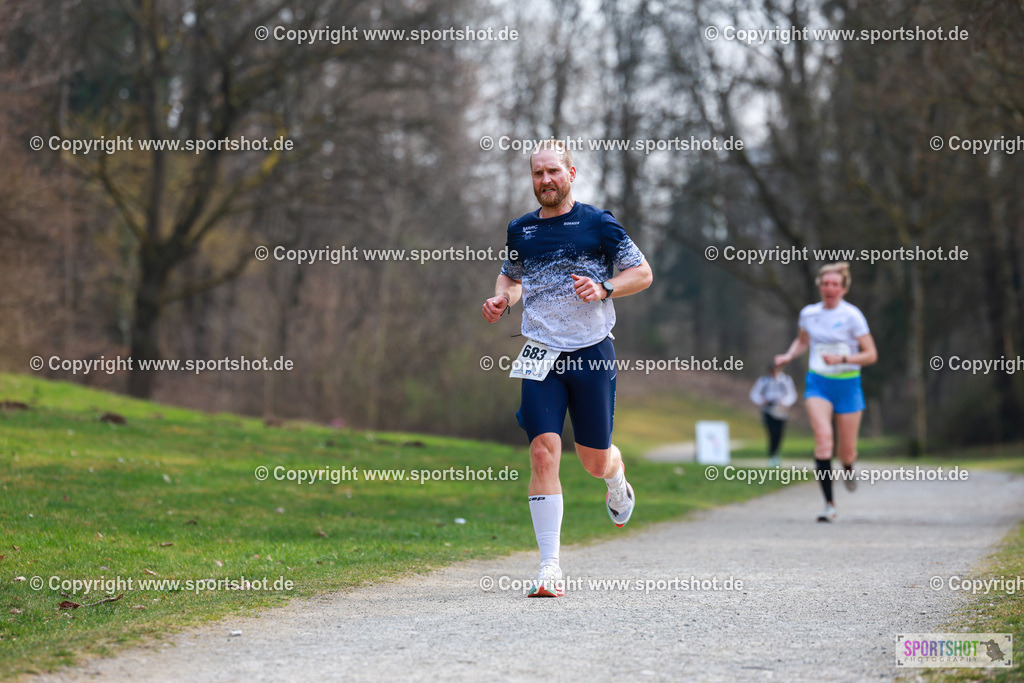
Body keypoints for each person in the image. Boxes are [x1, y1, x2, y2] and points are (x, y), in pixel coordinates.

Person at [482, 139, 653, 597]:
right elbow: (513, 276)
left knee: (594, 461)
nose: (545, 181)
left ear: (571, 174)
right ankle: (550, 567)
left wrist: (604, 288)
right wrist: (504, 297)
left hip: (591, 352)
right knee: (542, 450)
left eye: (553, 172)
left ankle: (616, 479)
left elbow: (642, 273)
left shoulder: (598, 224)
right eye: (538, 174)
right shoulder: (521, 230)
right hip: (540, 351)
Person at [773, 262, 877, 522]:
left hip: (848, 385)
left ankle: (849, 466)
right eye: (826, 284)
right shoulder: (809, 314)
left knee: (846, 451)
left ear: (843, 289)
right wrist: (788, 355)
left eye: (835, 285)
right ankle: (829, 505)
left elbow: (871, 355)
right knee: (823, 440)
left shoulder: (853, 316)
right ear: (820, 286)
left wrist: (842, 359)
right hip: (818, 383)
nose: (830, 288)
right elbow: (803, 341)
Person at [749, 362, 798, 467]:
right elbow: (754, 394)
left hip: (781, 411)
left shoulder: (785, 380)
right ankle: (772, 455)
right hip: (768, 410)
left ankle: (775, 453)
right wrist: (762, 400)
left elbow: (792, 394)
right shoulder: (763, 381)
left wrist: (785, 402)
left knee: (779, 434)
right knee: (771, 432)